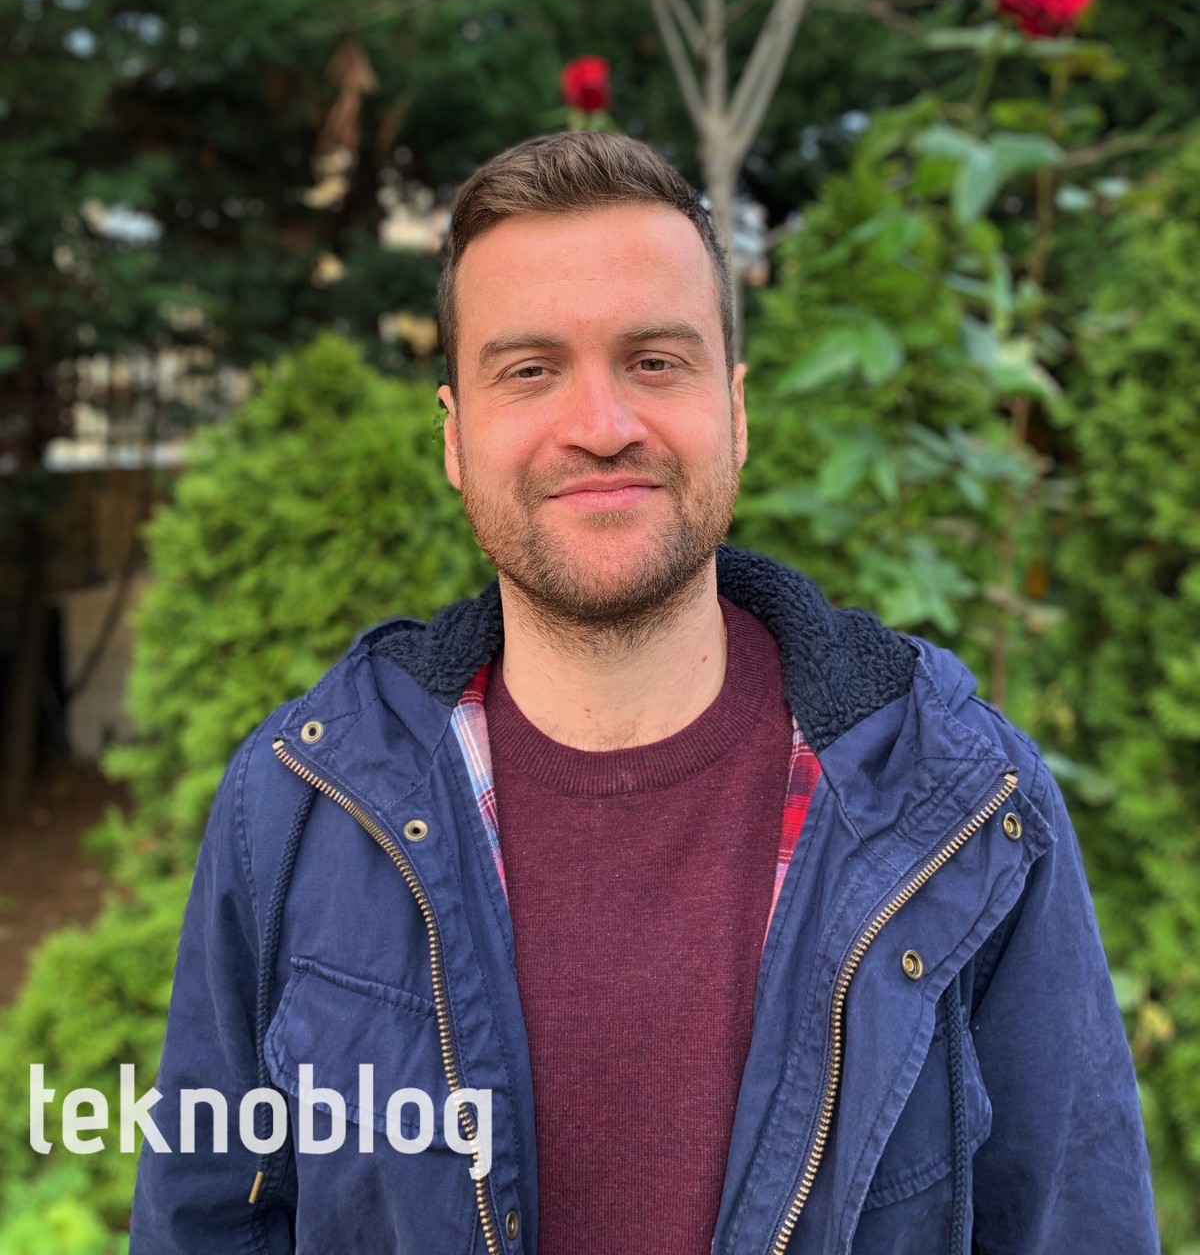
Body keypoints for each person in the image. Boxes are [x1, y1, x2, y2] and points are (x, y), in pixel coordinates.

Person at [131, 131, 1159, 1255]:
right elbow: (202, 1222)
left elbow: (1078, 1226)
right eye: (529, 370)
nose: (602, 426)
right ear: (456, 438)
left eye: (656, 361)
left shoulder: (962, 803)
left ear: (736, 411)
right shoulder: (298, 805)